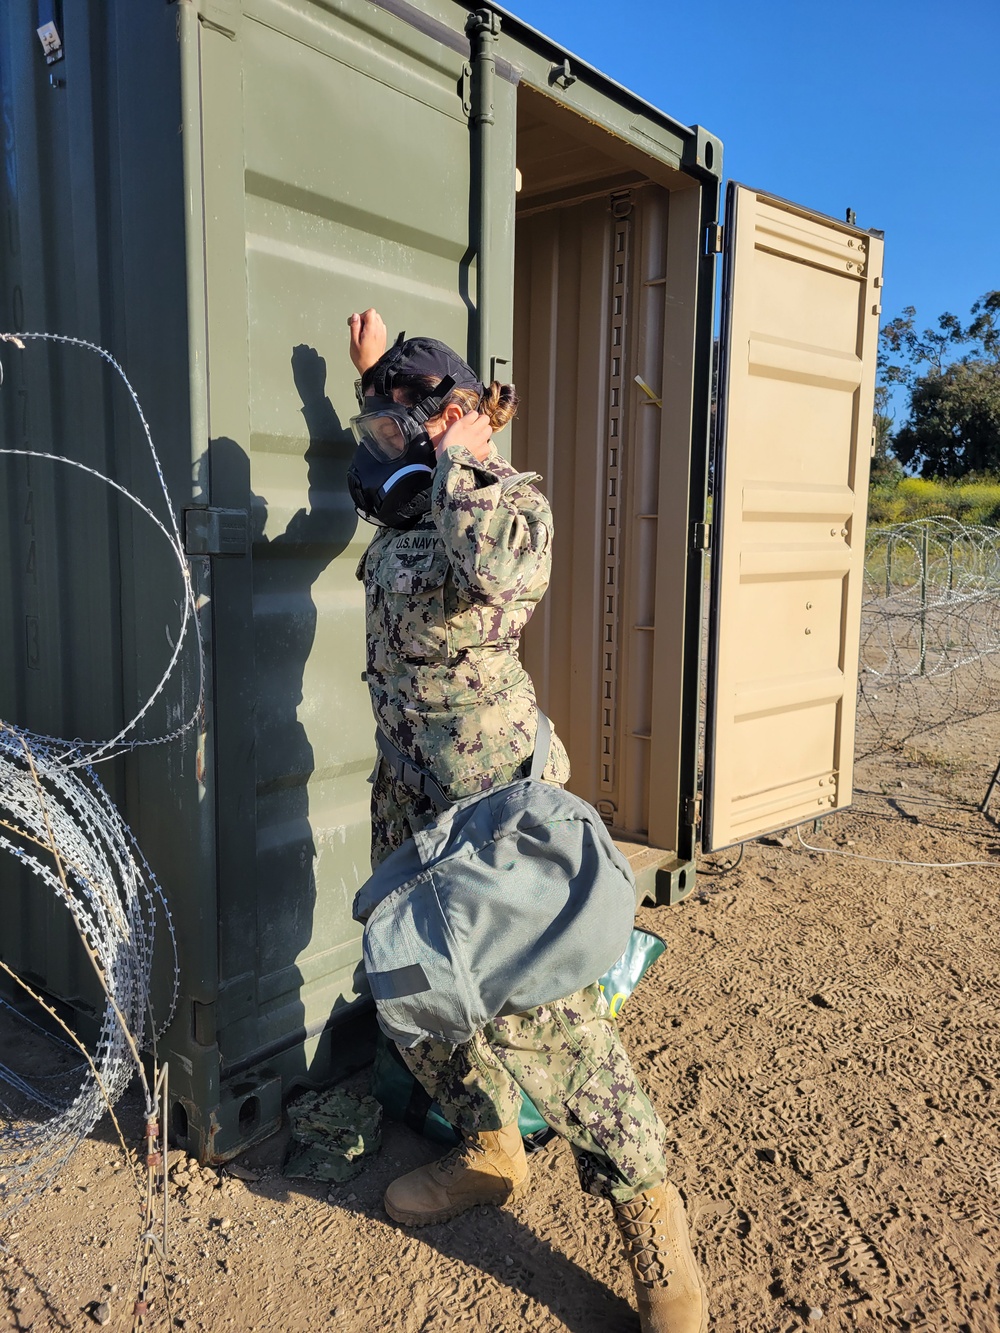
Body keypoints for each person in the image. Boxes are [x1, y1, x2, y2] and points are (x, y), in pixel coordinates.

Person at [346, 308, 707, 1333]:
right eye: (373, 434)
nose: (377, 451)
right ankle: (488, 1147)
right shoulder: (411, 519)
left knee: (554, 1025)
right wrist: (380, 380)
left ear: (455, 426)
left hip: (493, 815)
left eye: (395, 432)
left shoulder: (505, 507)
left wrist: (461, 453)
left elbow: (505, 575)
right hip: (410, 801)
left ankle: (655, 1240)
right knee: (416, 989)